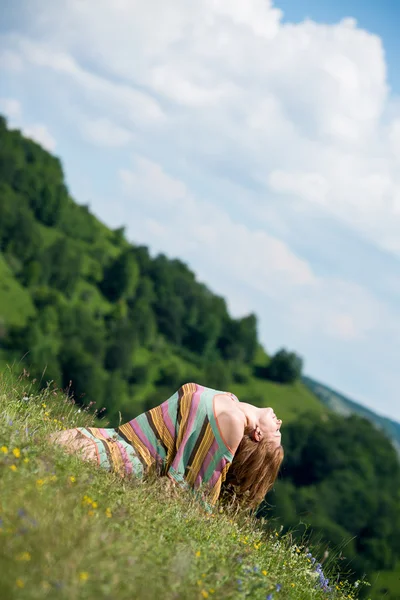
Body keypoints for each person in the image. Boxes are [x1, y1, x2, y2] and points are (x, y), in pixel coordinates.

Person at [51, 382, 284, 509]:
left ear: (258, 436)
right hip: (108, 439)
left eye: (277, 432)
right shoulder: (229, 399)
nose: (280, 422)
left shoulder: (232, 421)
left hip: (117, 459)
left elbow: (196, 502)